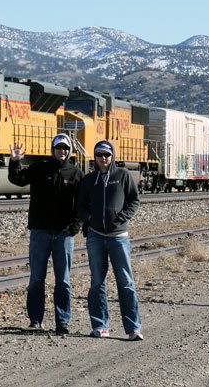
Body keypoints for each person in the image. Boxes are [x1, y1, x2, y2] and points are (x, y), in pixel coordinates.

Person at [9, 133, 84, 334]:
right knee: (36, 278)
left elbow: (83, 203)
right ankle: (35, 320)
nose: (62, 151)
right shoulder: (40, 168)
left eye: (65, 148)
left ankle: (63, 322)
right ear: (53, 149)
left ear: (70, 151)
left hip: (64, 235)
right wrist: (15, 162)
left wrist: (75, 226)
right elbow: (18, 179)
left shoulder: (76, 173)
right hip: (40, 232)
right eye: (58, 147)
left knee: (63, 280)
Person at [77, 139, 144, 341]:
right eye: (99, 154)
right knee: (97, 282)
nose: (103, 158)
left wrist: (121, 217)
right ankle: (100, 326)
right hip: (96, 237)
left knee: (126, 282)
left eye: (106, 154)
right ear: (95, 157)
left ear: (112, 156)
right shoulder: (89, 180)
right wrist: (90, 219)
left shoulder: (123, 175)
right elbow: (80, 205)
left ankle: (133, 328)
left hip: (118, 237)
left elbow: (134, 200)